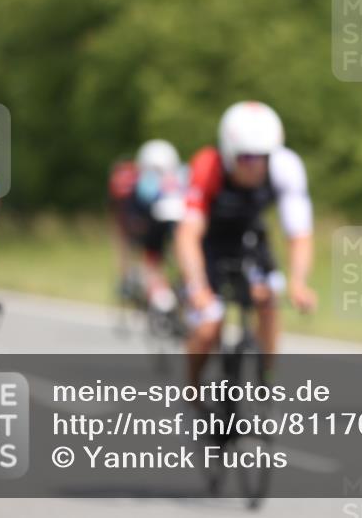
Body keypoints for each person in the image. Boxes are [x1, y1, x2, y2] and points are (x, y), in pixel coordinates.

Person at [175, 101, 317, 385]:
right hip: (210, 242)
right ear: (229, 154)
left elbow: (299, 233)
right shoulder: (207, 166)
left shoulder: (286, 167)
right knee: (208, 326)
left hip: (250, 238)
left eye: (262, 158)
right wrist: (197, 287)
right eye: (246, 159)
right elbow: (188, 234)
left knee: (269, 300)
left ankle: (266, 380)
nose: (255, 166)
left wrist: (298, 283)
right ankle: (193, 392)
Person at [108, 139, 186, 313]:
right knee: (154, 257)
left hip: (163, 223)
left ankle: (166, 292)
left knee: (166, 253)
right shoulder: (137, 186)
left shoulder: (174, 182)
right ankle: (158, 291)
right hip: (152, 227)